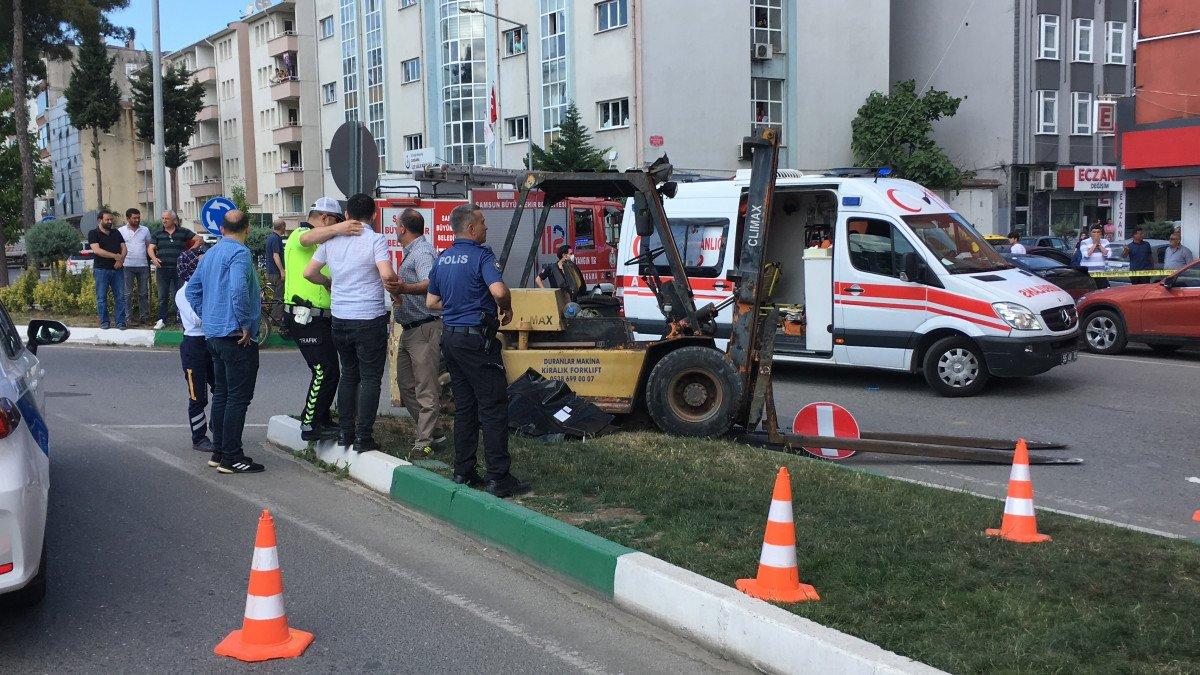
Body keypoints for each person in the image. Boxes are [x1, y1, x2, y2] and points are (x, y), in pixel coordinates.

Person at [427, 203, 530, 498]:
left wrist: (458, 306)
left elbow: (431, 303)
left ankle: (463, 470)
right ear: (471, 228)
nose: (486, 227)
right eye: (483, 222)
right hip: (477, 342)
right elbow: (498, 291)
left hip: (452, 340)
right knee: (493, 408)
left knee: (465, 407)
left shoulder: (443, 259)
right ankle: (499, 478)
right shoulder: (482, 256)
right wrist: (506, 308)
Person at [303, 193, 396, 451]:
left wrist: (328, 283)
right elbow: (386, 273)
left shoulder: (331, 240)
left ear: (346, 216)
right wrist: (395, 286)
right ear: (374, 215)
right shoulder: (376, 240)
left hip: (340, 318)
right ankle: (363, 437)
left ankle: (345, 433)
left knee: (348, 376)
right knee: (370, 379)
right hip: (368, 318)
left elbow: (309, 272)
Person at [186, 210, 264, 474]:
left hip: (214, 334)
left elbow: (191, 290)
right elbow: (239, 289)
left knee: (222, 392)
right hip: (236, 336)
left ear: (221, 229)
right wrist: (243, 323)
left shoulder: (210, 254)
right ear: (248, 229)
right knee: (238, 398)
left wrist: (208, 314)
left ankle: (219, 452)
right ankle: (232, 457)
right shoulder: (240, 254)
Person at [284, 197, 355, 441]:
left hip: (322, 318)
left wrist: (326, 282)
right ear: (324, 219)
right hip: (306, 317)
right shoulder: (301, 234)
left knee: (331, 370)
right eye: (333, 222)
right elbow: (306, 238)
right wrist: (340, 228)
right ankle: (310, 424)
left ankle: (320, 417)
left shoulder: (320, 242)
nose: (334, 230)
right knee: (323, 369)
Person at [383, 209, 446, 458]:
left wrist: (404, 288)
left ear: (402, 229)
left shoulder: (421, 252)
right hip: (411, 328)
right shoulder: (412, 251)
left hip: (424, 327)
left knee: (425, 387)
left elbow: (431, 283)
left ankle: (424, 443)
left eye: (396, 224)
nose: (395, 228)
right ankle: (436, 432)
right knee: (406, 385)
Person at [174, 239, 215, 459]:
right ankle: (199, 437)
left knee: (221, 388)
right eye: (200, 262)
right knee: (197, 396)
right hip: (194, 346)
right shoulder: (184, 293)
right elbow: (198, 319)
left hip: (211, 342)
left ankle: (219, 429)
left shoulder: (205, 287)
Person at [148, 209, 196, 329]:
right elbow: (150, 248)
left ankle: (181, 319)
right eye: (163, 218)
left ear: (174, 220)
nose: (164, 220)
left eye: (166, 218)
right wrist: (154, 258)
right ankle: (161, 319)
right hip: (162, 269)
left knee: (179, 294)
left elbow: (199, 240)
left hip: (179, 269)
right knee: (162, 296)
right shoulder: (158, 233)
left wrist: (189, 252)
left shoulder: (184, 232)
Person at [88, 210, 127, 330]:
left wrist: (120, 260)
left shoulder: (116, 232)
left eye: (111, 219)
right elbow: (97, 250)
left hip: (117, 270)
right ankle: (104, 322)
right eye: (107, 220)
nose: (110, 222)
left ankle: (120, 322)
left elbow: (124, 248)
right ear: (100, 220)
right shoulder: (93, 233)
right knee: (101, 298)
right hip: (101, 270)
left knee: (120, 297)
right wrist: (115, 256)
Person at [119, 208, 153, 326]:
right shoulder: (121, 231)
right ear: (128, 218)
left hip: (143, 265)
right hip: (127, 266)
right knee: (127, 294)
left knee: (143, 293)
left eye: (138, 217)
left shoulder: (145, 230)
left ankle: (144, 317)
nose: (137, 220)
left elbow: (149, 246)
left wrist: (152, 259)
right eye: (134, 218)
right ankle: (128, 318)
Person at [264, 218, 286, 323]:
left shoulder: (270, 238)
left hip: (270, 271)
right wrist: (282, 271)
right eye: (284, 227)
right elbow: (276, 256)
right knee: (279, 297)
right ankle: (276, 319)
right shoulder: (276, 239)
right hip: (276, 273)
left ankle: (272, 318)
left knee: (276, 297)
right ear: (282, 227)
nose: (285, 229)